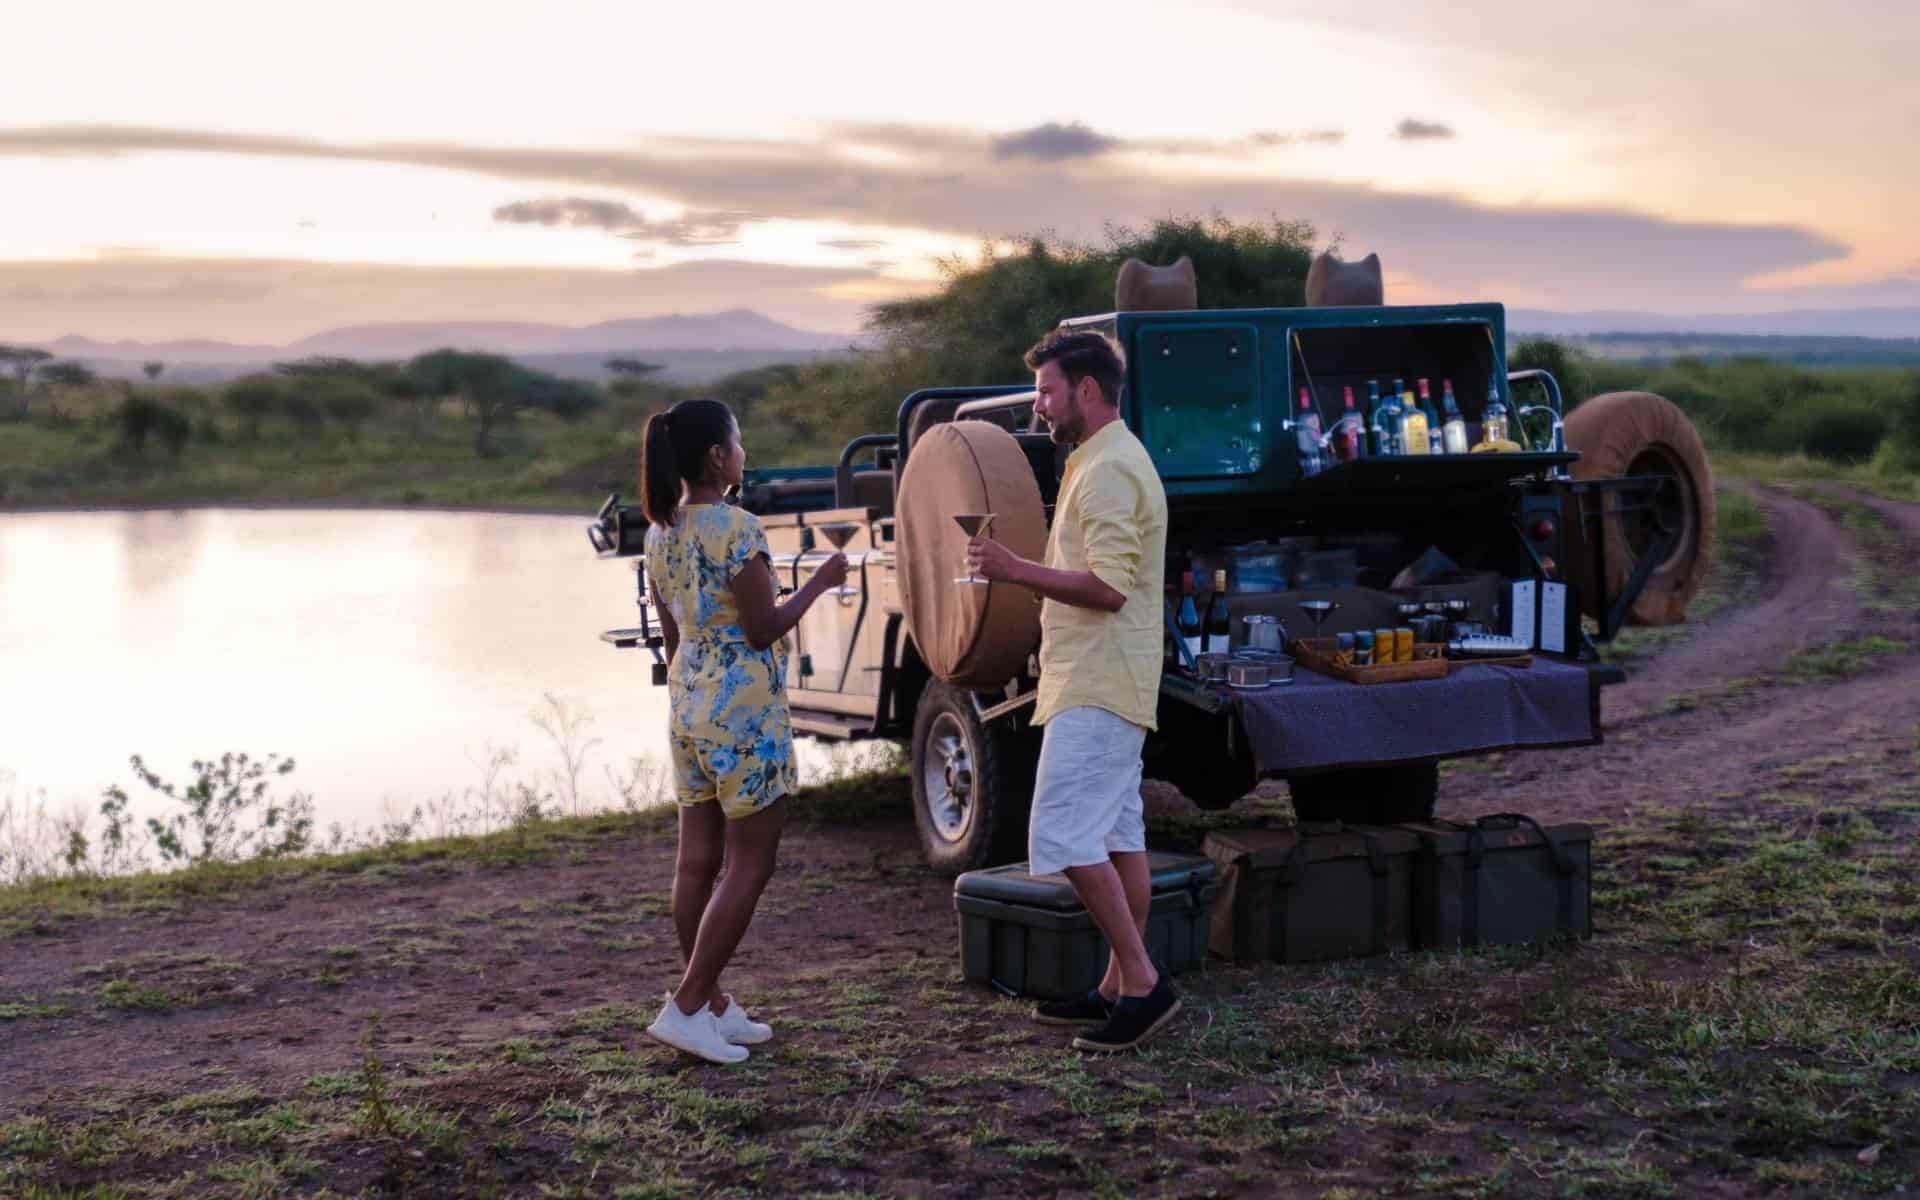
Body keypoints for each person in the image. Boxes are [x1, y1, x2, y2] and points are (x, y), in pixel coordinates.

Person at [967, 329, 1176, 1053]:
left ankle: (1144, 983)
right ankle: (1119, 986)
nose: (1037, 407)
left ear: (1086, 390)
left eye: (1046, 391)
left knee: (1060, 832)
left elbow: (1111, 588)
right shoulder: (1101, 459)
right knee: (1119, 836)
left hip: (1100, 678)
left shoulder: (1110, 469)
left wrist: (1012, 568)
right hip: (1104, 675)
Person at [637, 398, 848, 1064]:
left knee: (696, 861)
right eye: (739, 442)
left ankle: (715, 1007)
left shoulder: (657, 534)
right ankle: (689, 1005)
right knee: (750, 863)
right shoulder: (737, 529)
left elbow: (676, 636)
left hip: (688, 705)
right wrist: (818, 583)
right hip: (745, 712)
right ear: (717, 458)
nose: (744, 452)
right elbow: (762, 628)